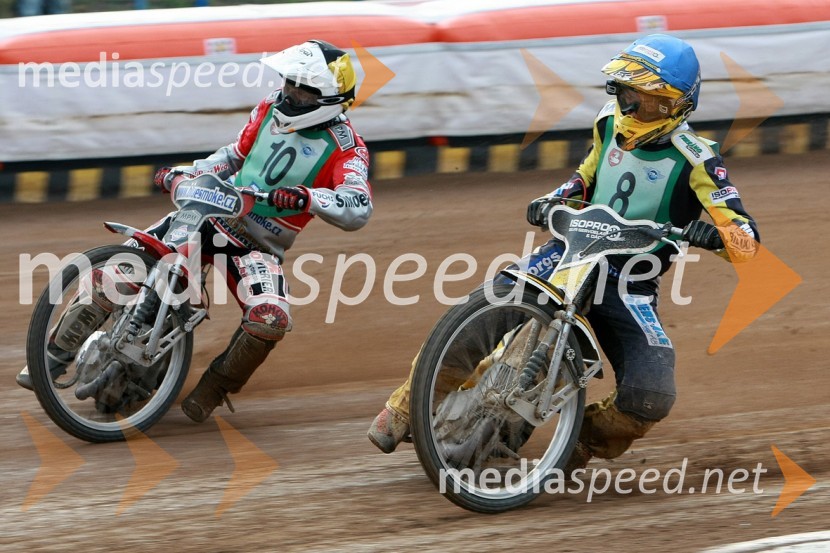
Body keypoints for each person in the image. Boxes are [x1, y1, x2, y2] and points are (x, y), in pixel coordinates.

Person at [367, 34, 759, 472]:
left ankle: (576, 444)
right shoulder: (608, 123)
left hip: (629, 282)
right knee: (486, 308)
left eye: (649, 102)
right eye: (629, 96)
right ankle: (403, 410)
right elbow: (583, 180)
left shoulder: (699, 158)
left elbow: (746, 238)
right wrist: (556, 197)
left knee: (652, 395)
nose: (633, 110)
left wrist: (717, 236)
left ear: (677, 106)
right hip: (570, 251)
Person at [16, 40, 374, 424]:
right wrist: (189, 172)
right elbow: (234, 155)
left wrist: (307, 198)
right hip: (211, 211)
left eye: (301, 88)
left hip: (257, 245)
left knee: (271, 318)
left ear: (328, 97)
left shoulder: (348, 148)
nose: (289, 92)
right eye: (289, 81)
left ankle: (214, 388)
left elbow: (358, 205)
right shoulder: (270, 106)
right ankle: (51, 359)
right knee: (120, 267)